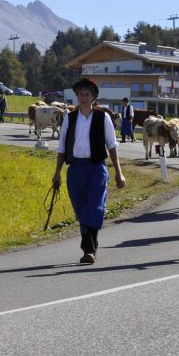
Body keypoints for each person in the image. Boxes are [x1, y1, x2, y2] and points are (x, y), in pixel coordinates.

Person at [52, 78, 126, 264]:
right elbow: (62, 147)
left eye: (87, 94)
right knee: (81, 209)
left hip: (96, 169)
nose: (83, 97)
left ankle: (89, 250)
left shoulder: (103, 118)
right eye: (80, 94)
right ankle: (90, 247)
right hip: (76, 169)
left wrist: (119, 172)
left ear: (94, 97)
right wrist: (57, 173)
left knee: (94, 207)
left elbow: (112, 145)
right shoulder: (70, 117)